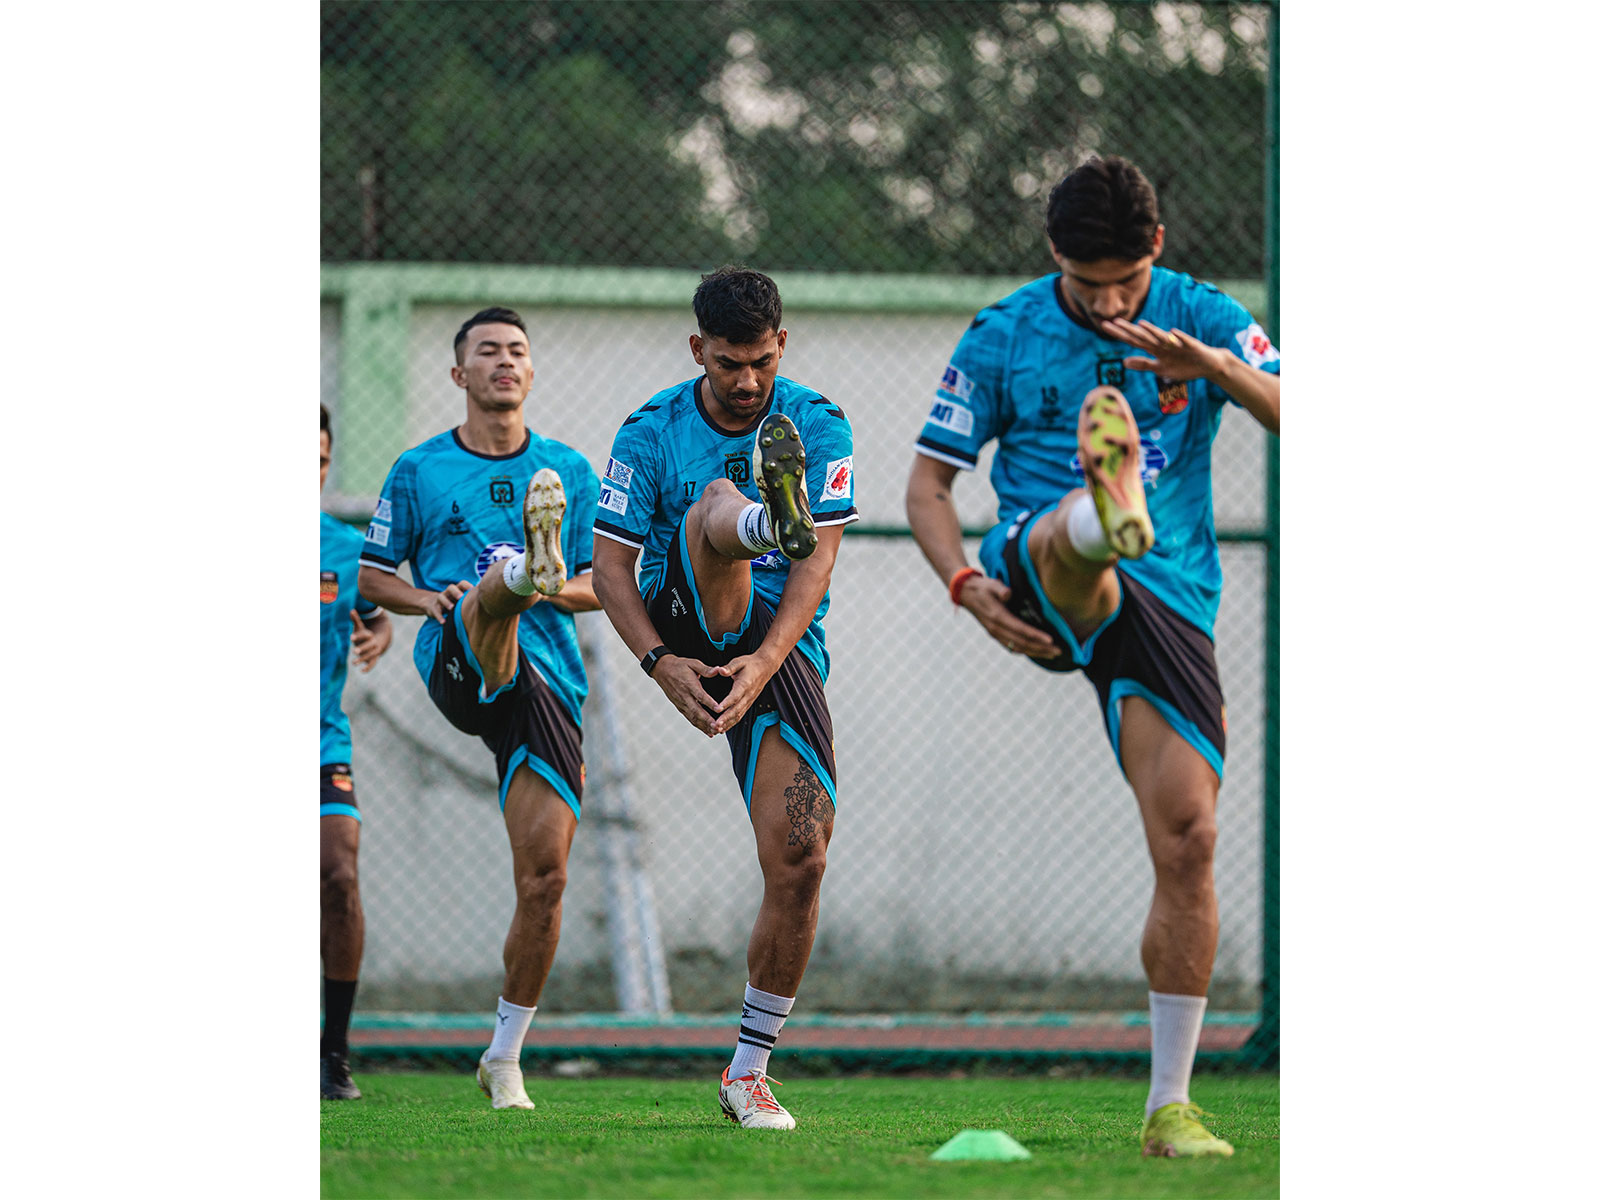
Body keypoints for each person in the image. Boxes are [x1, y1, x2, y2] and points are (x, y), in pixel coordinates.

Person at [904, 155, 1280, 1158]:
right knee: (1064, 547)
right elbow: (928, 488)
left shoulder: (1203, 314)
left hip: (1170, 601)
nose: (1107, 302)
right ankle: (1090, 512)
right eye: (1085, 282)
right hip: (1027, 571)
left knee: (1190, 838)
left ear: (1155, 250)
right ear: (1050, 256)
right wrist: (964, 590)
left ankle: (1169, 1108)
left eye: (1122, 281)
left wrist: (1215, 371)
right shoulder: (1004, 333)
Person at [591, 267, 857, 1130]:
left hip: (776, 646)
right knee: (714, 503)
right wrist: (659, 663)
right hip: (685, 615)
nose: (746, 382)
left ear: (783, 344)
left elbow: (816, 566)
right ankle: (752, 520)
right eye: (728, 364)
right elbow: (607, 572)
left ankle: (747, 1073)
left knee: (804, 853)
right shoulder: (649, 431)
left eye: (760, 363)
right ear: (697, 349)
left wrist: (764, 664)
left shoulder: (819, 423)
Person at [357, 307, 602, 1111]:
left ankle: (503, 1056)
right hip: (458, 662)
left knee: (546, 880)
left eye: (518, 352)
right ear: (458, 375)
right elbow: (371, 573)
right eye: (487, 351)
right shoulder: (420, 469)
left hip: (548, 690)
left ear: (532, 375)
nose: (504, 361)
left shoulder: (567, 468)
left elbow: (608, 583)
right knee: (487, 599)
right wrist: (428, 599)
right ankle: (511, 582)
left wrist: (555, 588)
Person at [320, 404, 393, 1100]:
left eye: (316, 462)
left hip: (320, 739)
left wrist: (377, 637)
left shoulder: (341, 548)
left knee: (339, 871)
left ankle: (332, 1055)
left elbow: (375, 620)